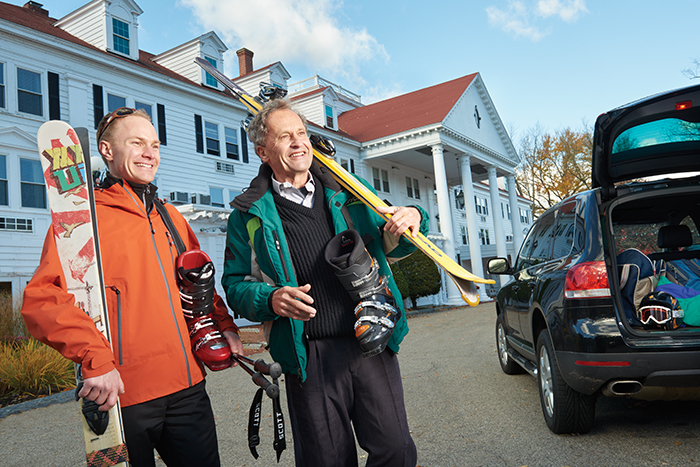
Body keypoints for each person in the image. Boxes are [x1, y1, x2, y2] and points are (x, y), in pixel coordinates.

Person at [22, 107, 243, 467]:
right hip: (124, 394)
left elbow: (197, 281)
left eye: (154, 144)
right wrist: (95, 359)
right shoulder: (81, 220)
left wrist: (225, 327)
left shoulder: (170, 216)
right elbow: (41, 299)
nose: (149, 153)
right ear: (107, 151)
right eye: (137, 143)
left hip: (188, 388)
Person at [222, 98, 426, 467]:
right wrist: (270, 298)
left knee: (396, 449)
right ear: (262, 151)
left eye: (301, 133)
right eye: (285, 137)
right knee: (327, 460)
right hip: (307, 354)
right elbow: (235, 285)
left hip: (371, 341)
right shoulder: (247, 215)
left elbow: (394, 237)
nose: (299, 142)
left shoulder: (347, 190)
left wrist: (414, 216)